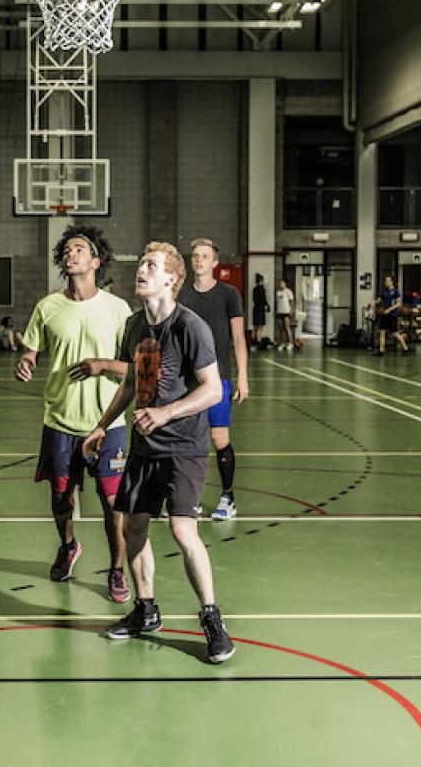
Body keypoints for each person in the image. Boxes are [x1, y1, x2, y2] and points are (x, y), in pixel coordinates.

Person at [84, 242, 234, 663]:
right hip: (144, 445)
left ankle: (212, 618)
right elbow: (132, 382)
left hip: (183, 445)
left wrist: (167, 412)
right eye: (142, 263)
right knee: (133, 527)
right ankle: (146, 609)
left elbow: (211, 388)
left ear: (171, 278)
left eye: (151, 265)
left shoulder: (191, 326)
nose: (141, 270)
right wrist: (101, 424)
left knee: (182, 531)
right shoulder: (135, 327)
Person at [16, 226, 133, 602]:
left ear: (96, 261)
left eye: (79, 248)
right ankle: (68, 546)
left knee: (112, 503)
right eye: (66, 249)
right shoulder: (47, 307)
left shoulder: (118, 309)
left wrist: (102, 365)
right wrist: (27, 361)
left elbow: (134, 368)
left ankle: (117, 570)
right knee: (60, 498)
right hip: (60, 421)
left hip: (107, 423)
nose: (71, 253)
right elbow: (32, 349)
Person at [178, 239, 249, 522]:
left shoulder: (229, 294)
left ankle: (228, 497)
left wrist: (242, 376)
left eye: (205, 256)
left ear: (214, 262)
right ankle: (189, 499)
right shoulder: (182, 295)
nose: (199, 261)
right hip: (187, 380)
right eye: (195, 256)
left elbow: (238, 338)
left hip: (218, 379)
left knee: (219, 439)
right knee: (188, 442)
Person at [374, 274, 407, 355]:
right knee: (382, 331)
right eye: (385, 281)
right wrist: (374, 302)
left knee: (395, 333)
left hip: (392, 315)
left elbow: (398, 304)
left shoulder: (396, 292)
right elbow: (379, 299)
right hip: (384, 314)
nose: (386, 282)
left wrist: (389, 309)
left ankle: (405, 348)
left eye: (388, 281)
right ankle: (381, 350)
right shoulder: (384, 291)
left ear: (392, 282)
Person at [274, 279, 295, 352]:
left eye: (282, 283)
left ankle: (290, 343)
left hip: (286, 312)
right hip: (280, 312)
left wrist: (291, 311)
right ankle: (282, 343)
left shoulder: (288, 292)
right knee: (280, 329)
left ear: (285, 284)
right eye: (280, 283)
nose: (281, 284)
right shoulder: (278, 292)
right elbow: (277, 303)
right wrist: (276, 311)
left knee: (287, 327)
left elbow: (292, 302)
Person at [250, 274, 269, 348]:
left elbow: (254, 299)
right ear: (261, 280)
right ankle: (258, 341)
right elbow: (264, 299)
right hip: (261, 309)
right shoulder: (262, 289)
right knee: (260, 326)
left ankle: (252, 341)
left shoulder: (254, 289)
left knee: (255, 326)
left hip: (255, 308)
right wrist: (267, 305)